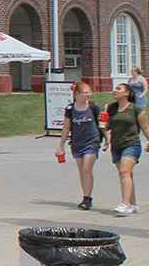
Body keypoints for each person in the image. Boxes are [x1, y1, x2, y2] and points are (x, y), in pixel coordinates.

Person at [56, 81, 107, 210]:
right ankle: (85, 196)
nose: (88, 95)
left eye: (89, 92)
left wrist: (107, 139)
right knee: (82, 171)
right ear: (77, 94)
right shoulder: (70, 109)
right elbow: (66, 128)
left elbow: (101, 125)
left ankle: (88, 199)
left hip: (92, 142)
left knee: (86, 169)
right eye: (85, 93)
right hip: (77, 144)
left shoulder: (94, 107)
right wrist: (61, 146)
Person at [105, 82, 149, 215]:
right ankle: (133, 204)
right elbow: (107, 127)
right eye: (115, 89)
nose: (115, 91)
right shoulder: (111, 108)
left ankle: (124, 204)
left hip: (131, 144)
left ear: (126, 93)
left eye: (119, 89)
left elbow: (145, 128)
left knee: (124, 172)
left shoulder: (135, 109)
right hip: (116, 145)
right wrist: (104, 132)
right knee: (126, 175)